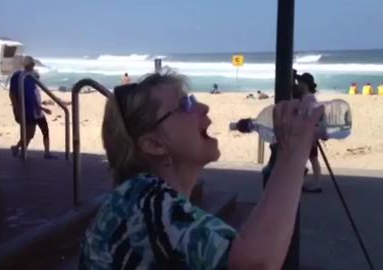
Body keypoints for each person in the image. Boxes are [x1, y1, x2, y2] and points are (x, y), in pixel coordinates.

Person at [79, 71, 323, 269]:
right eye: (185, 104)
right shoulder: (144, 200)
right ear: (153, 144)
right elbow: (254, 264)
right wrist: (292, 152)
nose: (204, 107)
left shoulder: (144, 199)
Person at [9, 56, 57, 159]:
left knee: (45, 131)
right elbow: (12, 94)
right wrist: (17, 109)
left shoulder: (32, 78)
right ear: (28, 65)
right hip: (27, 111)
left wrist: (43, 108)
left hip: (37, 111)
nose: (32, 66)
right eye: (31, 64)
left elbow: (35, 98)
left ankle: (47, 153)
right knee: (29, 134)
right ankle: (19, 149)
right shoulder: (19, 76)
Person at [296, 72, 323, 193]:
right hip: (309, 133)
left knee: (306, 159)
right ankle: (315, 182)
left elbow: (307, 116)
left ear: (304, 84)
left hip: (307, 134)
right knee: (312, 158)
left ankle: (314, 183)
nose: (298, 84)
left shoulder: (308, 99)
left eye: (300, 82)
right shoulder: (309, 98)